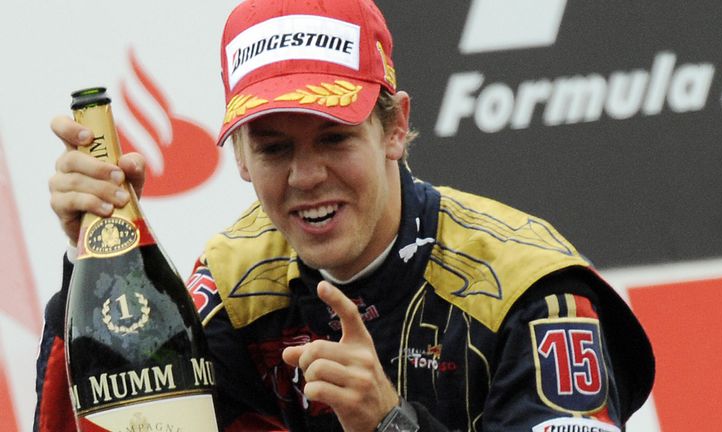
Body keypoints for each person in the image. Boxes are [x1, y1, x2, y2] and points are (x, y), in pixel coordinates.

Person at [35, 0, 655, 431]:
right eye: (275, 148)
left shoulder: (531, 291)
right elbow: (113, 423)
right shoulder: (234, 283)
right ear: (243, 162)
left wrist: (391, 422)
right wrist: (92, 262)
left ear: (397, 128)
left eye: (333, 139)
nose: (306, 177)